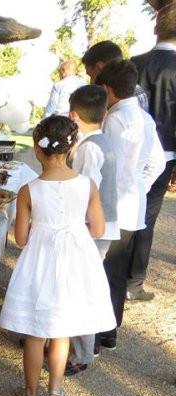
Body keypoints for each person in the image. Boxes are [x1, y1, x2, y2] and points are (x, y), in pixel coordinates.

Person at [0, 116, 115, 396]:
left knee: (36, 333)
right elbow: (99, 229)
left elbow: (22, 239)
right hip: (75, 260)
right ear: (72, 145)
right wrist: (73, 231)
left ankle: (30, 394)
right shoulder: (87, 185)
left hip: (40, 259)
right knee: (62, 329)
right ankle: (56, 391)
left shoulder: (28, 190)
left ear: (37, 149)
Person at [95, 60, 165, 350]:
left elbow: (104, 163)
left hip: (111, 204)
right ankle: (110, 332)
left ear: (107, 89)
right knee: (117, 272)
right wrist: (140, 185)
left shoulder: (113, 119)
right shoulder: (145, 119)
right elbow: (158, 162)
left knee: (100, 270)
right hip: (131, 205)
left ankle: (96, 335)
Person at [65, 85, 120, 375]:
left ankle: (80, 353)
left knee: (79, 288)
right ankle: (78, 347)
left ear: (73, 115)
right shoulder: (106, 140)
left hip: (91, 228)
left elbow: (82, 192)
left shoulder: (88, 149)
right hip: (105, 225)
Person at [129, 5, 176, 300]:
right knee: (148, 214)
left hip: (132, 148)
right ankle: (134, 282)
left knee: (125, 208)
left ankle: (117, 272)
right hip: (167, 151)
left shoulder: (134, 63)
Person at [82, 41, 149, 110]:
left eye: (90, 75)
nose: (91, 82)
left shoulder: (114, 99)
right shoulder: (137, 92)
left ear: (99, 67)